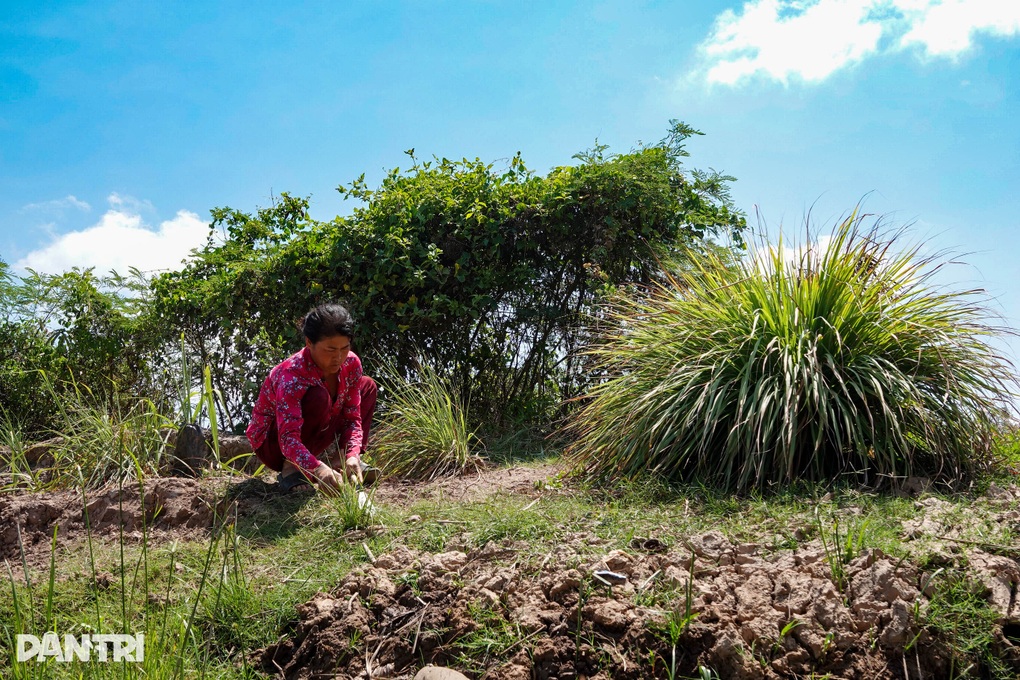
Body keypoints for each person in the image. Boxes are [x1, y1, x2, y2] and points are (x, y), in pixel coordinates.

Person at [245, 303, 378, 492]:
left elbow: (352, 418)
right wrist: (318, 469)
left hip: (312, 433)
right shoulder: (292, 375)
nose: (338, 357)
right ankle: (292, 468)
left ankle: (342, 462)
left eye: (345, 347)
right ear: (309, 343)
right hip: (274, 445)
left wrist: (352, 453)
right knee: (318, 396)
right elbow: (288, 438)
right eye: (330, 350)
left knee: (367, 386)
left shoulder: (351, 363)